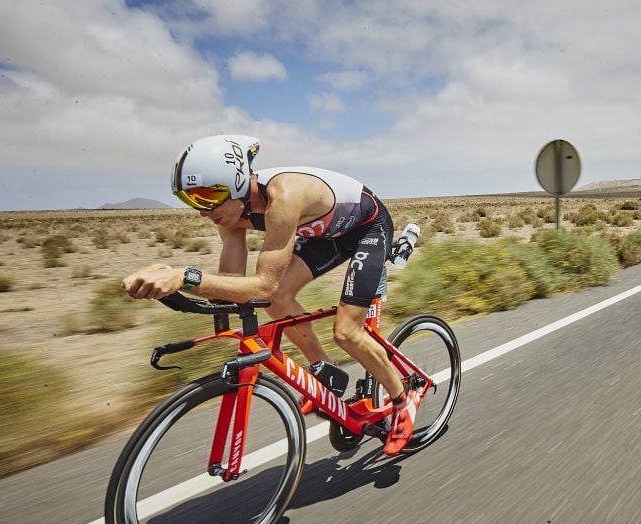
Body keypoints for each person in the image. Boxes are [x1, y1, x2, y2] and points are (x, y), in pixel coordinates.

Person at [121, 134, 419, 456]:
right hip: (323, 233)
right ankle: (325, 369)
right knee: (277, 299)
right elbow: (232, 284)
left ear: (237, 182)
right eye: (192, 200)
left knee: (347, 332)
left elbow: (261, 285)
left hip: (366, 228)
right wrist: (176, 285)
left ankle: (403, 399)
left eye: (209, 196)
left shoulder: (283, 197)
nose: (203, 211)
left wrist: (185, 277)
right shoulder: (230, 214)